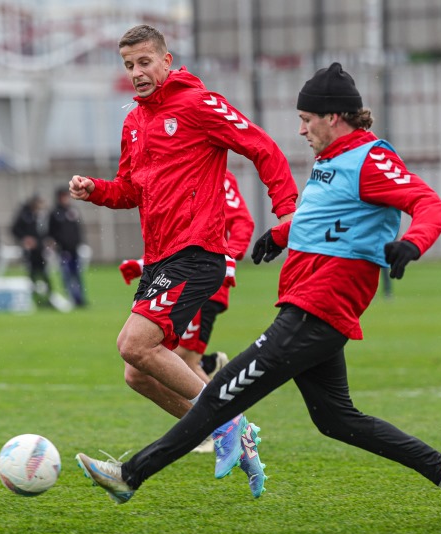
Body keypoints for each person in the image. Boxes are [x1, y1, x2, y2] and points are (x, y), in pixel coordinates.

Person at [75, 63, 441, 527]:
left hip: (316, 310)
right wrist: (281, 235)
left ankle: (130, 475)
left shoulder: (370, 158)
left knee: (218, 398)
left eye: (307, 119)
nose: (301, 128)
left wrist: (413, 242)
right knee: (336, 419)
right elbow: (325, 218)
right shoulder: (332, 160)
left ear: (334, 117)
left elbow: (428, 202)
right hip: (308, 307)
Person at [68, 24, 298, 496]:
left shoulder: (197, 104)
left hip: (197, 251)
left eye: (144, 62)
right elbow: (131, 190)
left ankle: (228, 422)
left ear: (167, 61)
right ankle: (231, 431)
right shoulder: (134, 122)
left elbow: (262, 146)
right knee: (138, 373)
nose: (136, 73)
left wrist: (288, 212)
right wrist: (96, 191)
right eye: (129, 65)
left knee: (134, 345)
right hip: (160, 259)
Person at [118, 170, 255, 452]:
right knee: (155, 365)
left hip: (204, 283)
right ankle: (215, 424)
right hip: (177, 280)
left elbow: (242, 221)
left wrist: (230, 257)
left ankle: (223, 430)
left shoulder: (217, 175)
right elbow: (178, 240)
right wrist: (144, 262)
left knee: (178, 361)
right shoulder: (175, 172)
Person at [48, 186, 87, 307]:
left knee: (78, 275)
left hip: (74, 248)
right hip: (63, 250)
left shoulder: (72, 211)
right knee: (67, 275)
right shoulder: (55, 213)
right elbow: (51, 232)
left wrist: (79, 242)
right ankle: (71, 298)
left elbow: (78, 228)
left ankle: (80, 299)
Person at [11, 194, 52, 306]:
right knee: (32, 275)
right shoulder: (24, 215)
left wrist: (47, 240)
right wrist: (25, 239)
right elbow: (15, 229)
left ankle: (48, 298)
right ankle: (36, 299)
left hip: (40, 250)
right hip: (30, 252)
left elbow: (45, 232)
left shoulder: (41, 215)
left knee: (44, 274)